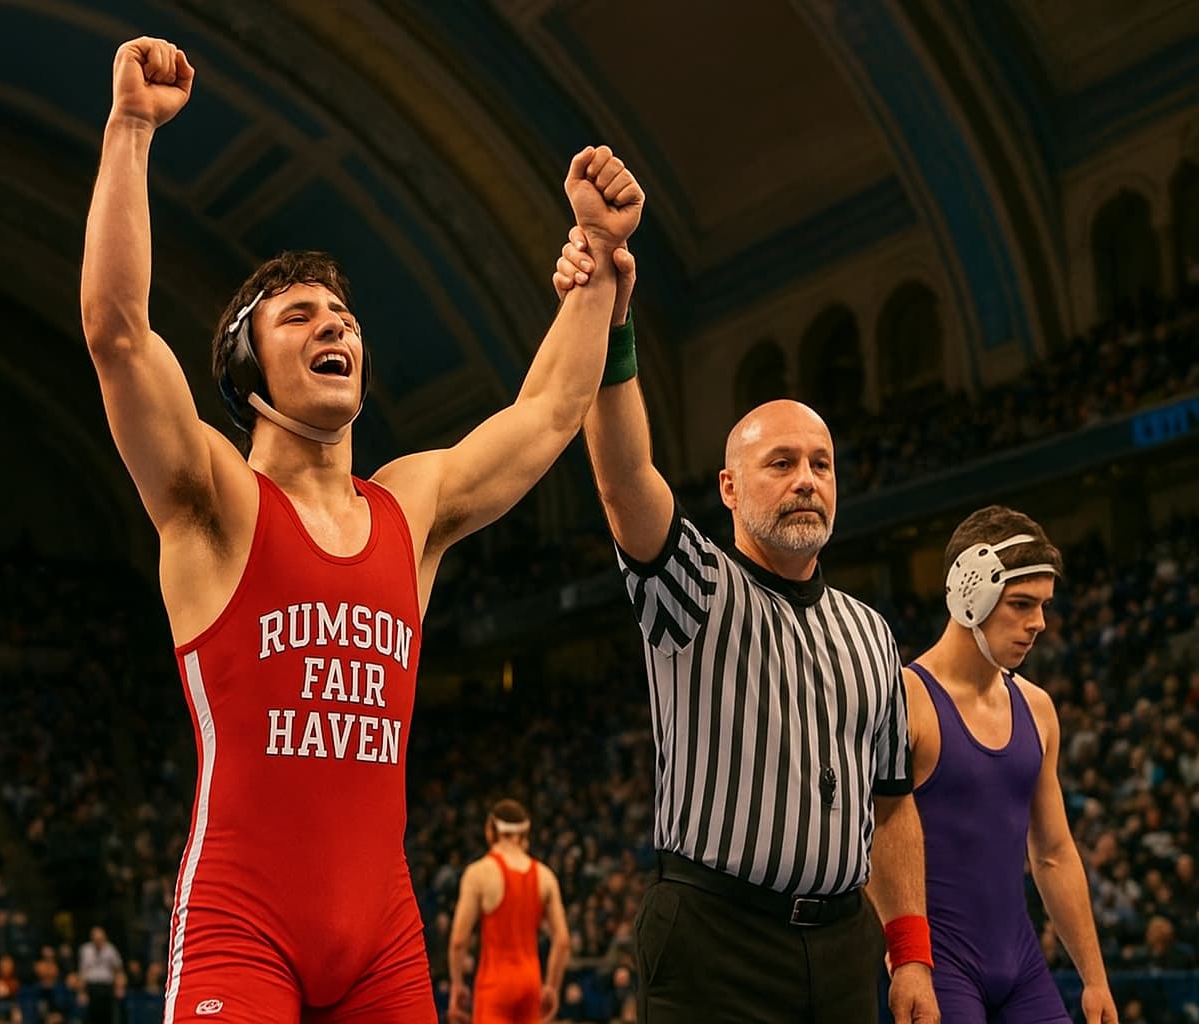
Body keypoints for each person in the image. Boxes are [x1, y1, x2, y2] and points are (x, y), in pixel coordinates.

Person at [80, 36, 643, 1024]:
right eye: (299, 316)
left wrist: (596, 261)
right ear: (248, 374)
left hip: (383, 935)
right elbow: (118, 331)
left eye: (341, 315)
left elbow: (551, 411)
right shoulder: (215, 500)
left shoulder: (409, 507)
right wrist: (129, 129)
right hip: (240, 924)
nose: (334, 325)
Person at [554, 234, 938, 1024]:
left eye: (822, 464)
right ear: (729, 487)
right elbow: (623, 478)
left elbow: (892, 804)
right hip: (715, 940)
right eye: (782, 463)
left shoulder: (873, 633)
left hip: (843, 945)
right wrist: (611, 323)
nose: (807, 480)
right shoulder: (693, 585)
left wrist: (909, 955)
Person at [906, 506, 1118, 1023]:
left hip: (1021, 963)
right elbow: (870, 845)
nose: (1038, 623)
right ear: (969, 595)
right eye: (1021, 604)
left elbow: (1054, 853)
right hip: (937, 964)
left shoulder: (1038, 709)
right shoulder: (907, 702)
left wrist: (1094, 979)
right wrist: (902, 960)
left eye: (1043, 606)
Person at [447, 800, 571, 1024]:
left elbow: (458, 940)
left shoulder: (479, 873)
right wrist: (552, 987)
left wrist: (457, 984)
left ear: (491, 829)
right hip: (531, 981)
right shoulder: (545, 876)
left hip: (495, 983)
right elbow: (562, 941)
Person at [80, 925, 125, 1024]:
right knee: (91, 1017)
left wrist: (119, 987)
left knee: (108, 1017)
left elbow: (118, 970)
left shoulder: (111, 949)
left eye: (100, 939)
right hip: (91, 988)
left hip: (107, 988)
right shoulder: (85, 950)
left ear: (105, 938)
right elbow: (82, 972)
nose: (98, 941)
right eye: (96, 939)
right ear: (92, 939)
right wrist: (82, 992)